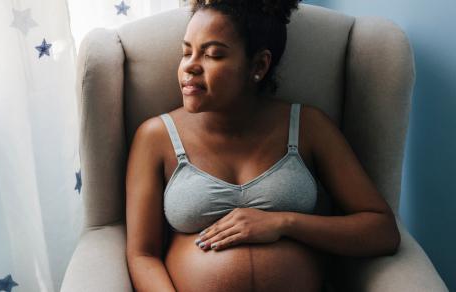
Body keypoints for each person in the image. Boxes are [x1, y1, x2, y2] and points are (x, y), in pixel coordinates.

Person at [125, 0, 401, 291]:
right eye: (186, 52)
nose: (190, 66)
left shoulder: (308, 127)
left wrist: (283, 223)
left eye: (213, 54)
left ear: (258, 65)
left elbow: (381, 230)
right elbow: (142, 255)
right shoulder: (155, 137)